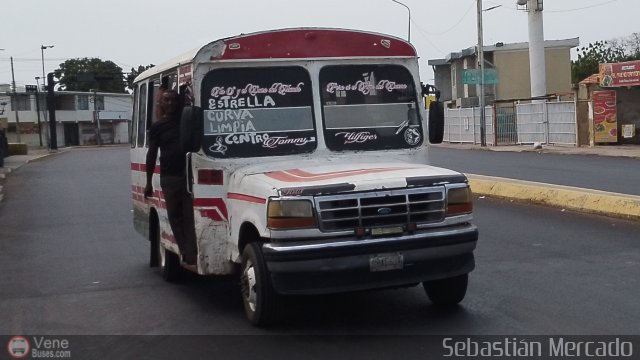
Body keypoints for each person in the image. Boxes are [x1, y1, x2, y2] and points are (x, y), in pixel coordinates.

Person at [144, 89, 197, 265]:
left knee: (189, 216)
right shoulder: (158, 127)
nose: (171, 104)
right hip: (169, 178)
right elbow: (151, 155)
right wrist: (148, 182)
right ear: (161, 103)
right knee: (175, 216)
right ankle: (184, 250)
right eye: (167, 100)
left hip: (188, 176)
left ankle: (191, 252)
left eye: (174, 100)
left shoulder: (187, 121)